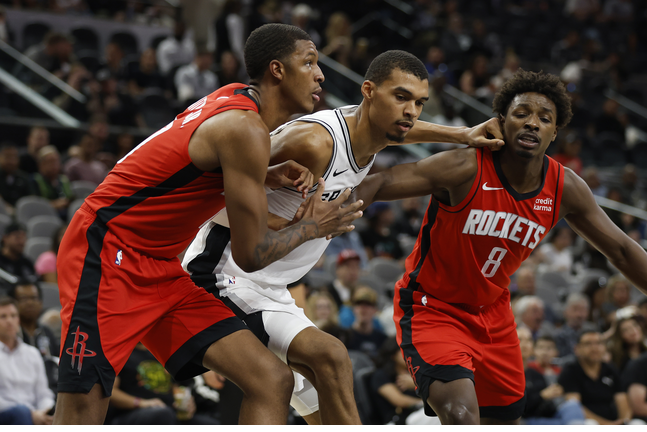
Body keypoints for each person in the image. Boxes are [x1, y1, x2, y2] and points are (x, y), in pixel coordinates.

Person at [353, 69, 647, 424]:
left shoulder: (564, 187)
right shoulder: (465, 166)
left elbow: (623, 250)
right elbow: (381, 181)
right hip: (434, 307)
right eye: (521, 114)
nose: (533, 124)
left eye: (544, 118)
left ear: (555, 132)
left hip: (493, 314)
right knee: (461, 415)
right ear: (500, 123)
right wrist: (321, 221)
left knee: (505, 422)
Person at [53, 23, 363, 425]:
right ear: (276, 70)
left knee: (271, 380)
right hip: (105, 252)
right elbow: (251, 256)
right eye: (309, 62)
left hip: (161, 266)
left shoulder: (237, 102)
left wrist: (262, 173)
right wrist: (314, 227)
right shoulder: (246, 128)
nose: (320, 74)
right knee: (83, 407)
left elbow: (189, 160)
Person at [182, 49, 502, 425]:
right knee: (330, 355)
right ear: (368, 91)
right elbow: (211, 189)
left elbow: (401, 131)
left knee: (324, 396)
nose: (411, 112)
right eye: (401, 97)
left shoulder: (372, 132)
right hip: (222, 273)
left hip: (271, 287)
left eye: (420, 103)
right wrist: (291, 226)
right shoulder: (314, 142)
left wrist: (461, 133)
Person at [107, 343, 217, 425]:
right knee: (163, 414)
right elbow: (110, 393)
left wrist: (187, 403)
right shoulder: (120, 353)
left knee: (210, 425)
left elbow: (176, 387)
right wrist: (142, 403)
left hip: (168, 412)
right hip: (131, 413)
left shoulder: (161, 353)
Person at [0, 297, 55, 425]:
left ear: (18, 319)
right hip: (6, 414)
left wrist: (46, 411)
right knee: (21, 412)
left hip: (34, 415)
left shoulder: (32, 353)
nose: (10, 321)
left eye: (13, 316)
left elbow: (44, 394)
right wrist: (31, 414)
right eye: (3, 316)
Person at [559, 329, 632, 425]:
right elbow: (574, 408)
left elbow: (623, 401)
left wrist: (623, 422)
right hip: (586, 421)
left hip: (613, 421)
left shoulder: (611, 369)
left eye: (598, 343)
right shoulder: (570, 371)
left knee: (638, 424)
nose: (594, 348)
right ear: (577, 349)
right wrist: (607, 425)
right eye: (588, 344)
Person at [522, 336, 585, 425]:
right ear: (534, 350)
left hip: (556, 409)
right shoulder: (528, 370)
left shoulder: (561, 371)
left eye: (549, 348)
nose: (545, 352)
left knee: (574, 405)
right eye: (541, 348)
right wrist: (543, 395)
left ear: (556, 352)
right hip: (535, 415)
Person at [9, 282, 58, 391]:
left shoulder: (46, 332)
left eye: (34, 298)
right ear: (13, 304)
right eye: (23, 299)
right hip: (19, 391)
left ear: (41, 302)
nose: (30, 303)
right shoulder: (9, 334)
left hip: (50, 390)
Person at [369, 337, 423, 425]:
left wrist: (415, 384)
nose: (410, 354)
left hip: (417, 414)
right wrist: (424, 404)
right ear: (393, 355)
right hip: (397, 420)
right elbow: (399, 400)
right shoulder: (380, 375)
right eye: (404, 351)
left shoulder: (414, 372)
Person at [31, 146, 75, 217]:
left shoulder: (63, 180)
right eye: (50, 162)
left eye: (56, 161)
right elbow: (35, 205)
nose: (54, 165)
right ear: (41, 164)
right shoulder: (35, 180)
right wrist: (54, 204)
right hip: (45, 216)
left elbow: (70, 199)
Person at [346, 286, 387, 360]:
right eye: (359, 304)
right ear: (353, 309)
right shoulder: (345, 337)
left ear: (375, 310)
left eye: (368, 304)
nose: (363, 309)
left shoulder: (382, 340)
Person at [0, 223, 37, 293]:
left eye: (23, 237)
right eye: (17, 237)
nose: (21, 242)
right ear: (5, 238)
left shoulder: (27, 264)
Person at [554, 293, 592, 358]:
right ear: (565, 312)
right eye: (575, 310)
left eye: (583, 310)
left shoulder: (593, 332)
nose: (579, 315)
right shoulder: (558, 336)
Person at [0, 143, 32, 207]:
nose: (11, 161)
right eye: (8, 156)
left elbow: (31, 200)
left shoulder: (24, 178)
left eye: (14, 157)